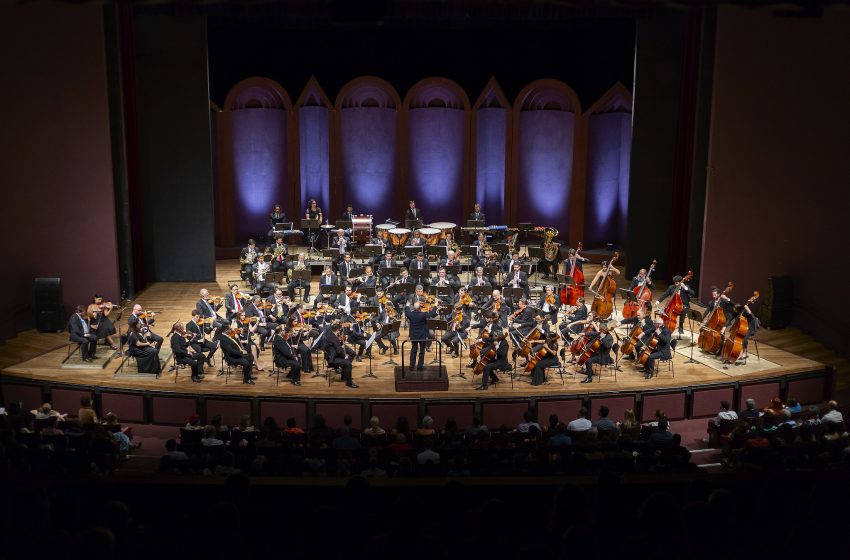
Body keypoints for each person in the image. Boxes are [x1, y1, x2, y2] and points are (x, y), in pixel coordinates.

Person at [405, 295, 438, 371]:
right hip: (422, 335)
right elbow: (432, 314)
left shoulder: (410, 314)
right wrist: (435, 305)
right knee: (422, 351)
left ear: (413, 307)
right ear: (419, 307)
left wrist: (407, 304)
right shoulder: (424, 314)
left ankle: (411, 366)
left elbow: (407, 309)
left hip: (413, 335)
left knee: (413, 350)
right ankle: (420, 366)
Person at [325, 323, 357, 388]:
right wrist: (345, 356)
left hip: (332, 355)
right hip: (332, 359)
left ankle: (345, 375)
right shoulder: (334, 339)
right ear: (337, 330)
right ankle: (349, 382)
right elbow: (339, 351)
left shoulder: (331, 335)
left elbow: (337, 348)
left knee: (348, 359)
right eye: (339, 330)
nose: (340, 332)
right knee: (348, 364)